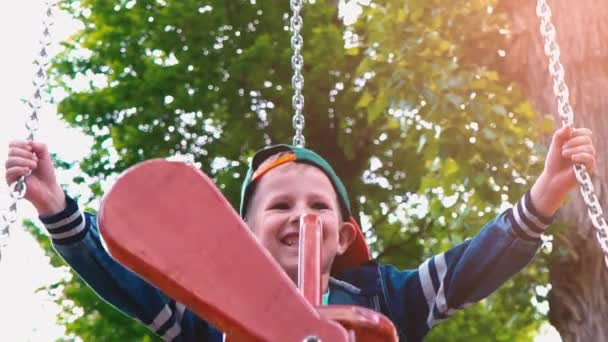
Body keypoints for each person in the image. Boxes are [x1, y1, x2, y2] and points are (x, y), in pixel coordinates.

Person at [4, 126, 596, 341]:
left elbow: (469, 269)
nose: (302, 216)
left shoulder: (384, 295)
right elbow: (132, 280)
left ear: (344, 236)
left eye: (318, 206)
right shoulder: (212, 313)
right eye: (280, 205)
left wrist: (542, 196)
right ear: (243, 233)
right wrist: (58, 209)